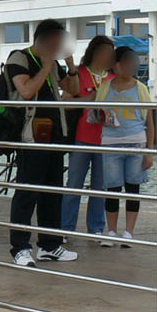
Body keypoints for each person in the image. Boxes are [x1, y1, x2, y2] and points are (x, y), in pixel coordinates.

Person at [5, 19, 80, 267]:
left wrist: (70, 67)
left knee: (52, 193)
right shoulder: (20, 58)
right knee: (27, 193)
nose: (60, 45)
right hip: (30, 136)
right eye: (57, 40)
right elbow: (26, 91)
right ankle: (20, 247)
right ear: (45, 39)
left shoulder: (55, 64)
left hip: (54, 136)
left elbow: (74, 91)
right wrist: (47, 65)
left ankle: (50, 245)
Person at [95, 47, 154, 247]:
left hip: (136, 142)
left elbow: (150, 121)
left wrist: (149, 151)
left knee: (132, 188)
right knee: (112, 188)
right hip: (111, 142)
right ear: (116, 64)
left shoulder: (141, 88)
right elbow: (95, 113)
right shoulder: (105, 87)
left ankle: (129, 232)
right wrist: (102, 116)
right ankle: (111, 231)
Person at [60, 35, 115, 246]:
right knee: (74, 184)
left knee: (100, 187)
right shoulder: (79, 74)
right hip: (82, 137)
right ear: (94, 52)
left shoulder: (112, 78)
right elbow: (66, 102)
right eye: (104, 52)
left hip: (106, 139)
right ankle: (66, 228)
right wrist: (89, 100)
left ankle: (97, 229)